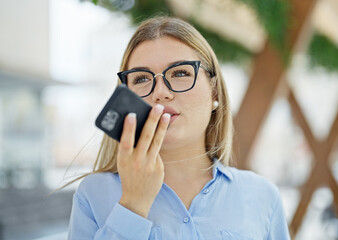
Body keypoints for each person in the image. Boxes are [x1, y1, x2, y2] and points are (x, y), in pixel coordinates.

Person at [68, 16, 291, 240]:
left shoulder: (262, 196)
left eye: (181, 73)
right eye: (142, 78)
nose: (160, 92)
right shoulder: (93, 195)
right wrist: (132, 205)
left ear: (214, 92)